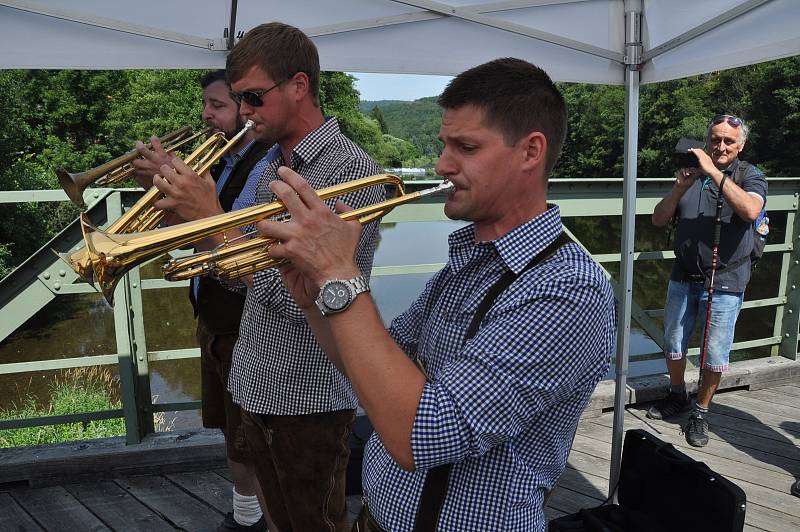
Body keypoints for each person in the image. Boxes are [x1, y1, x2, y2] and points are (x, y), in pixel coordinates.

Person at [258, 58, 617, 532]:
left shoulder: (569, 290)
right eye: (445, 144)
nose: (442, 165)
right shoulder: (468, 264)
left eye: (466, 147)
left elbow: (419, 436)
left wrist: (340, 275)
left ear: (531, 152)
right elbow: (368, 365)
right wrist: (316, 299)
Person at [221, 22, 385, 532]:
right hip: (255, 380)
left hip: (308, 395)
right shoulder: (270, 162)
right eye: (239, 99)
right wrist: (202, 227)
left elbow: (294, 298)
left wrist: (207, 212)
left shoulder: (350, 172)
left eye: (252, 97)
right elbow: (232, 274)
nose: (243, 112)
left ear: (298, 85)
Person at [132, 70, 277, 532]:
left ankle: (256, 519)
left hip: (244, 323)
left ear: (245, 108)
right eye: (206, 105)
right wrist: (161, 191)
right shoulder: (224, 163)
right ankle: (244, 515)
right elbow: (189, 235)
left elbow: (248, 252)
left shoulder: (266, 163)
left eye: (217, 105)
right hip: (214, 318)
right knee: (231, 433)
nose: (206, 115)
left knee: (251, 435)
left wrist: (198, 207)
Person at [649, 114, 767, 448]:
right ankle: (677, 395)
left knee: (714, 352)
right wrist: (679, 188)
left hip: (725, 281)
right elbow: (658, 219)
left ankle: (700, 411)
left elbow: (750, 211)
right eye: (715, 139)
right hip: (683, 276)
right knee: (673, 342)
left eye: (729, 141)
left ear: (740, 145)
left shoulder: (750, 176)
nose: (720, 146)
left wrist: (714, 173)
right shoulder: (691, 177)